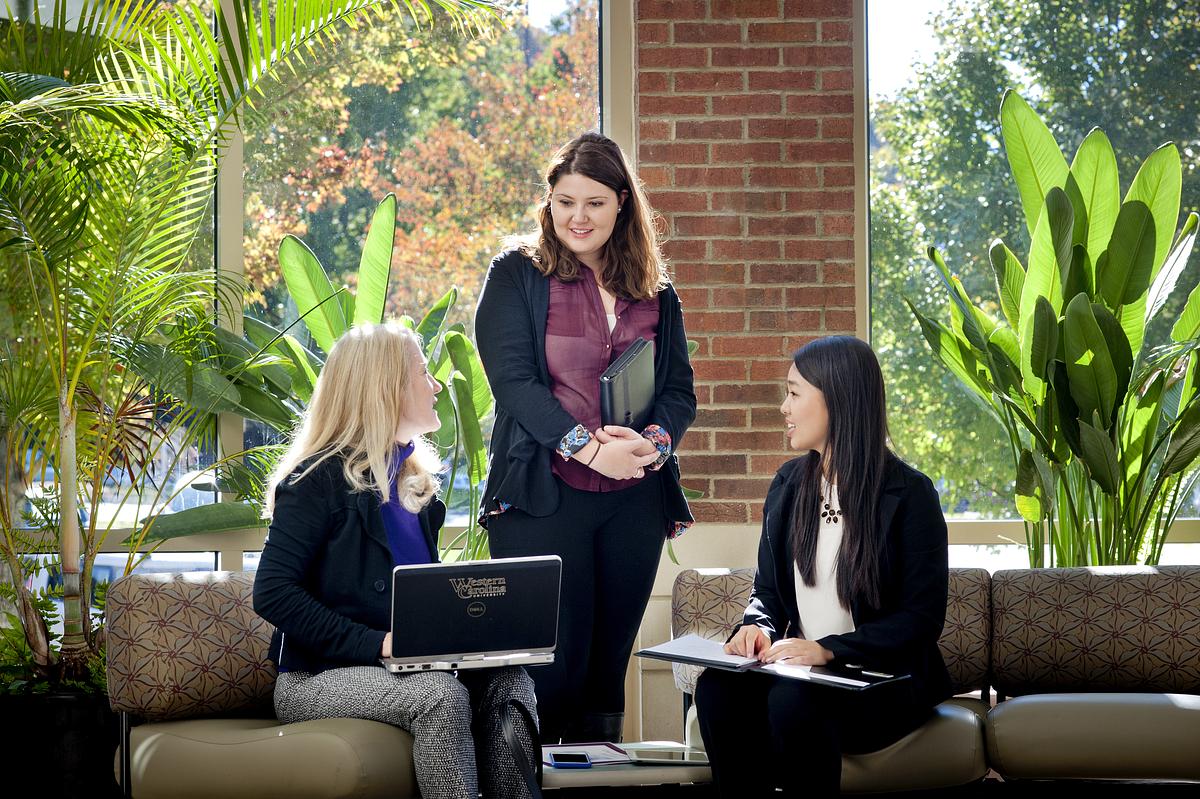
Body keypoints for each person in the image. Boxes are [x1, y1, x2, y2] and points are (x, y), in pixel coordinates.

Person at [252, 321, 537, 799]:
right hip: (315, 678)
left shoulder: (413, 484)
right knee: (440, 698)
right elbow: (273, 593)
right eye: (423, 374)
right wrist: (379, 644)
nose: (437, 385)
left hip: (410, 666)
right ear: (385, 389)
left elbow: (416, 603)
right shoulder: (314, 481)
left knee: (511, 682)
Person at [475, 131, 697, 744]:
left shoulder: (657, 290)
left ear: (622, 202)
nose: (578, 216)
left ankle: (597, 783)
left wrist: (653, 442)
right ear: (549, 201)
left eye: (594, 202)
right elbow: (514, 385)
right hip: (543, 497)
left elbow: (680, 391)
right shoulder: (516, 274)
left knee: (606, 671)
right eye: (565, 200)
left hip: (634, 501)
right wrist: (590, 447)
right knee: (550, 667)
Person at [694, 336, 951, 798]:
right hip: (811, 677)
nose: (782, 406)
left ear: (838, 400)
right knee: (717, 687)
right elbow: (767, 594)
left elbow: (921, 621)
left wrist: (829, 650)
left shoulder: (911, 495)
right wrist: (757, 629)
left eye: (794, 393)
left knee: (794, 700)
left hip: (882, 683)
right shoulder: (789, 484)